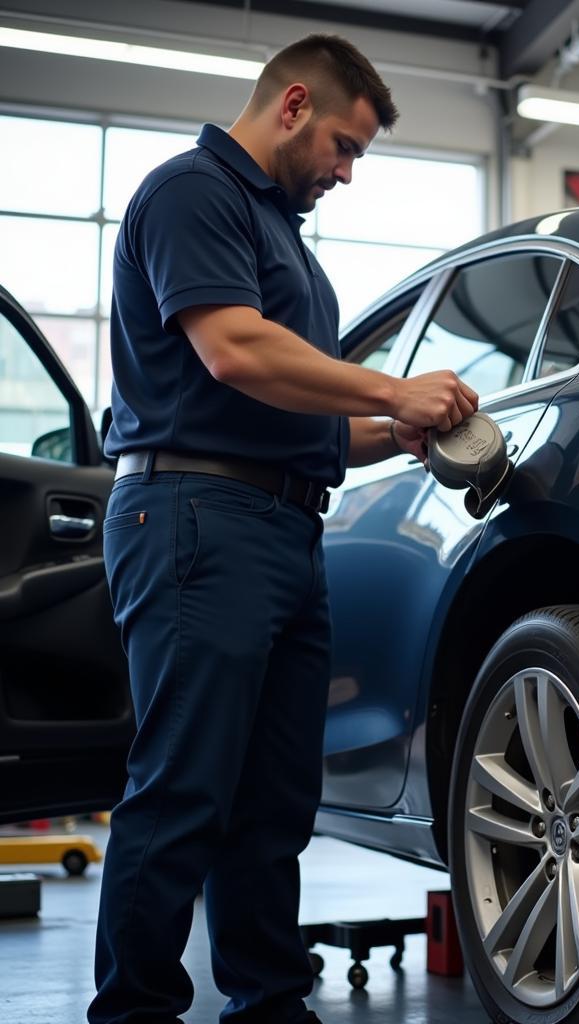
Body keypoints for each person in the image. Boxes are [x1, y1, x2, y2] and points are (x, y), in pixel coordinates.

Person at [90, 34, 478, 1024]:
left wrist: (405, 429)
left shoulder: (289, 250)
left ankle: (268, 1004)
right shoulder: (192, 193)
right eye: (345, 148)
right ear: (295, 104)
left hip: (284, 528)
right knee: (184, 788)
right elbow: (233, 352)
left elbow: (315, 429)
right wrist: (394, 385)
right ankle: (133, 1010)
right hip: (194, 516)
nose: (346, 174)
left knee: (270, 805)